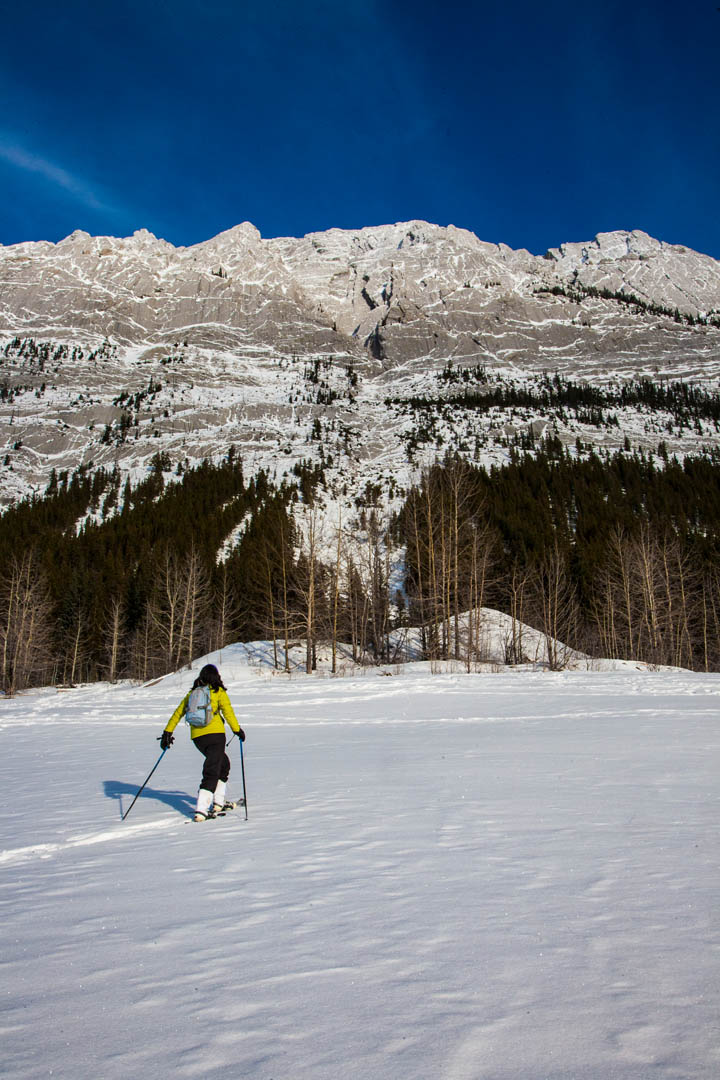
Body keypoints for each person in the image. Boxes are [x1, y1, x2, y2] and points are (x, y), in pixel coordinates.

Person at [161, 663, 245, 821]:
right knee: (212, 769)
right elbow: (228, 712)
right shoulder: (218, 692)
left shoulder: (192, 693)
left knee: (223, 764)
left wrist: (167, 732)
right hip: (216, 735)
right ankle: (201, 810)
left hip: (198, 738)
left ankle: (218, 803)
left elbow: (178, 713)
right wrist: (237, 730)